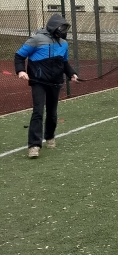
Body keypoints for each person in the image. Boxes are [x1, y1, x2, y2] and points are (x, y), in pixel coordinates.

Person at [14, 13, 79, 158]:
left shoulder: (64, 43)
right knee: (38, 111)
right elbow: (19, 55)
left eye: (65, 28)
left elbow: (64, 63)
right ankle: (34, 146)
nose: (63, 31)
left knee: (52, 112)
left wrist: (72, 74)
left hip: (55, 82)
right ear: (53, 26)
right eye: (61, 27)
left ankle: (50, 137)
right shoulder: (36, 39)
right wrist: (20, 71)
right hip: (39, 82)